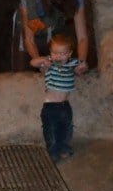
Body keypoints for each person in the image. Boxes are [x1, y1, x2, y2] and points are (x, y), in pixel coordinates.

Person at [19, 0, 90, 74]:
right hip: (30, 33)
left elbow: (82, 37)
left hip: (53, 34)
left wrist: (81, 61)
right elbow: (29, 38)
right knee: (25, 70)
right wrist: (38, 61)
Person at [31, 33, 80, 162]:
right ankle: (52, 151)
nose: (58, 56)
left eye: (62, 53)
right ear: (50, 53)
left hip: (65, 105)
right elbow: (33, 62)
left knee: (66, 129)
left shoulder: (71, 64)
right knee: (50, 131)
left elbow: (81, 66)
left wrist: (82, 67)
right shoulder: (49, 64)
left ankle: (63, 148)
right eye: (55, 53)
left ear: (69, 54)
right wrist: (43, 61)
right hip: (50, 107)